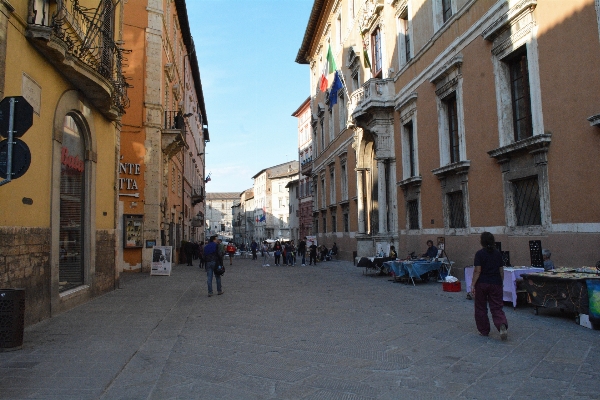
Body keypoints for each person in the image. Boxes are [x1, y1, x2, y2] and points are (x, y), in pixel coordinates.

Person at [471, 232, 508, 340]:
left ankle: (484, 330)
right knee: (497, 307)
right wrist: (501, 281)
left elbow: (477, 271)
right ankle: (501, 324)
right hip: (495, 282)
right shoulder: (497, 254)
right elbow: (501, 271)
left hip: (482, 283)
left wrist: (473, 284)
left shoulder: (479, 254)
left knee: (480, 307)